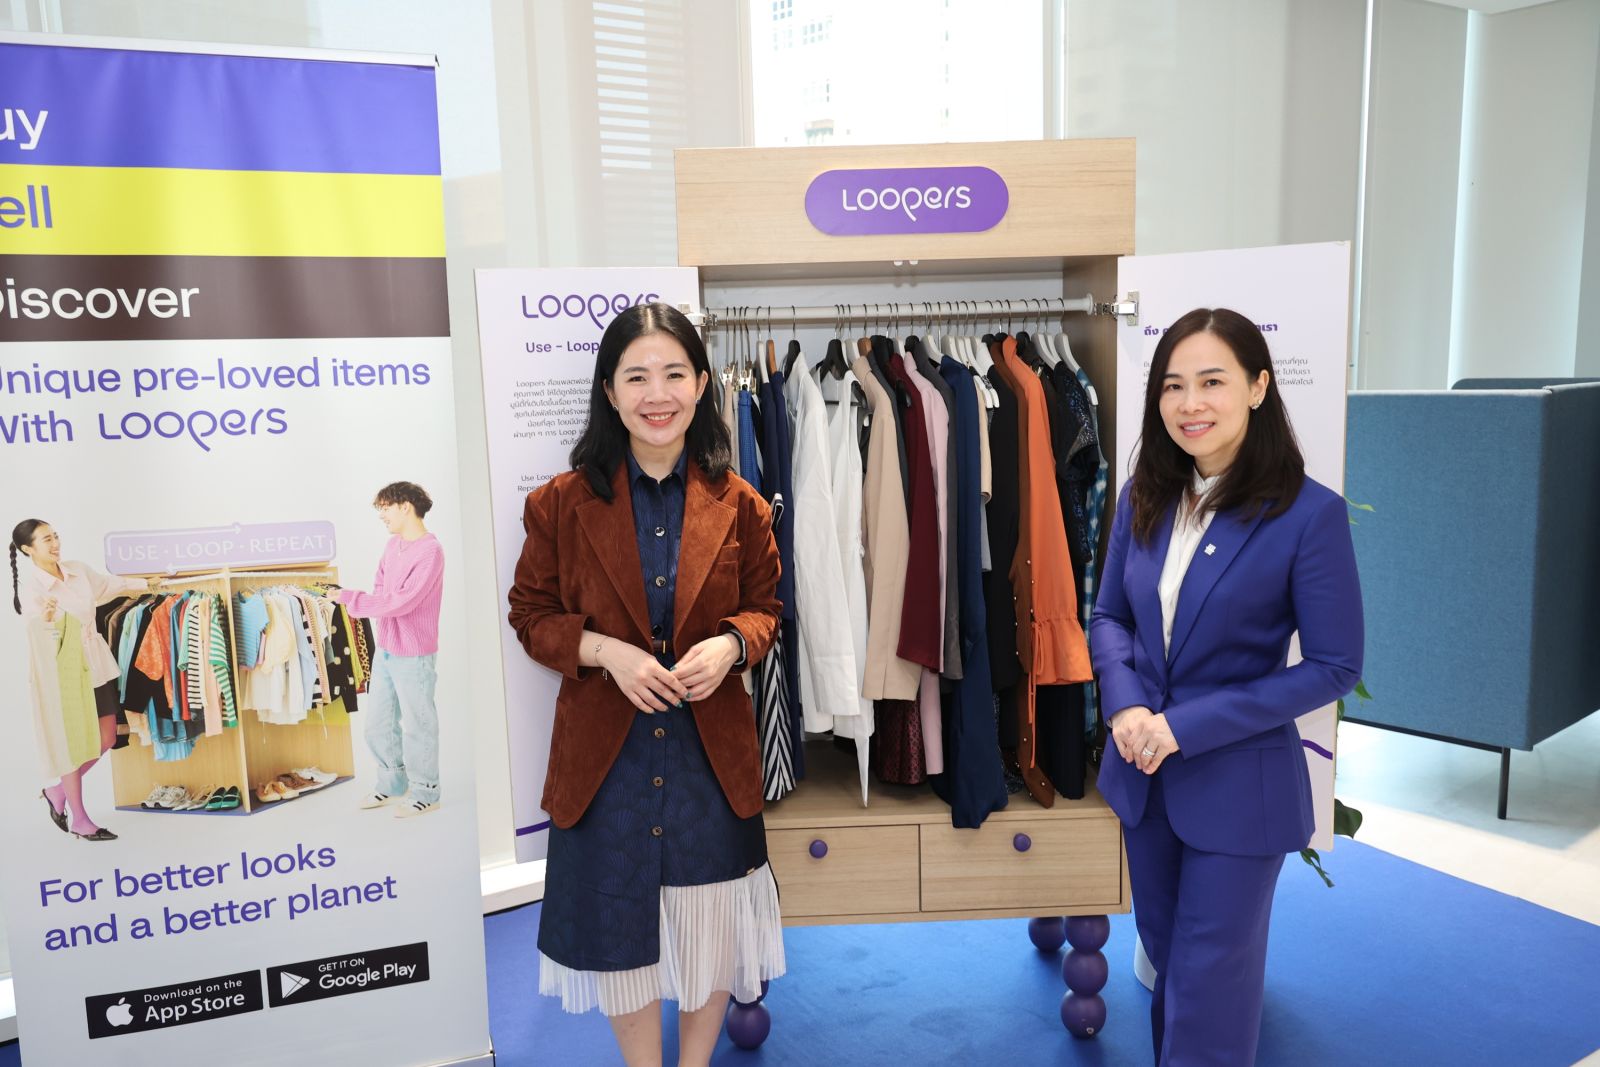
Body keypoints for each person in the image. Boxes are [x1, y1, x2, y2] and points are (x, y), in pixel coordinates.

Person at [507, 302, 785, 1067]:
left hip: (710, 758)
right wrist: (607, 653)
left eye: (673, 374)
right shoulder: (558, 504)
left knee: (710, 928)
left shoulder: (742, 503)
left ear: (702, 383)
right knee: (619, 934)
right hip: (605, 762)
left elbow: (767, 609)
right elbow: (530, 615)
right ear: (609, 390)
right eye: (636, 376)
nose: (656, 394)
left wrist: (731, 644)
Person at [1091, 307, 1364, 1066]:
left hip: (1240, 789)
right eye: (1173, 385)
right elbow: (1109, 615)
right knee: (1169, 964)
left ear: (1258, 387)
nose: (1190, 403)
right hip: (1144, 778)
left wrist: (1183, 725)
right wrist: (1126, 704)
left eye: (1212, 381)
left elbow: (1335, 665)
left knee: (1210, 984)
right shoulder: (1144, 495)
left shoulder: (1308, 514)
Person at [10, 519, 153, 841]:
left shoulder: (77, 570)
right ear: (28, 549)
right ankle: (80, 819)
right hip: (66, 672)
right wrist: (47, 619)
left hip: (96, 663)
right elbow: (38, 636)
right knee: (73, 746)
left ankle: (57, 792)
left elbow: (108, 585)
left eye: (56, 536)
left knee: (107, 737)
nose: (55, 543)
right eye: (46, 540)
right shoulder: (33, 590)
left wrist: (146, 582)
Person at [335, 481, 445, 818]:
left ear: (405, 506)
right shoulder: (392, 545)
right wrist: (372, 602)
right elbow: (382, 591)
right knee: (377, 724)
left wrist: (350, 599)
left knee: (418, 725)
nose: (381, 515)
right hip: (386, 648)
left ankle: (426, 792)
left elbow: (402, 601)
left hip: (415, 653)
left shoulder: (431, 551)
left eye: (385, 507)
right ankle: (393, 783)